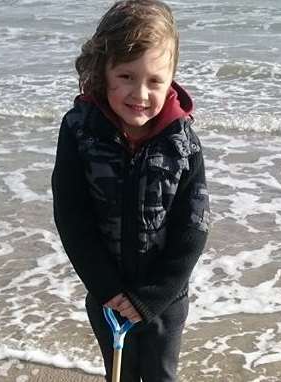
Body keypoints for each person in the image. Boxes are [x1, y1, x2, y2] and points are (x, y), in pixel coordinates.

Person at [51, 1, 210, 380]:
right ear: (102, 70)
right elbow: (72, 216)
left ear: (171, 78)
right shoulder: (79, 130)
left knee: (160, 374)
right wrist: (105, 287)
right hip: (107, 292)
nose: (140, 93)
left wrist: (152, 297)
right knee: (119, 374)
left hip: (164, 299)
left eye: (155, 80)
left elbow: (195, 227)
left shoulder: (182, 140)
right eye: (126, 76)